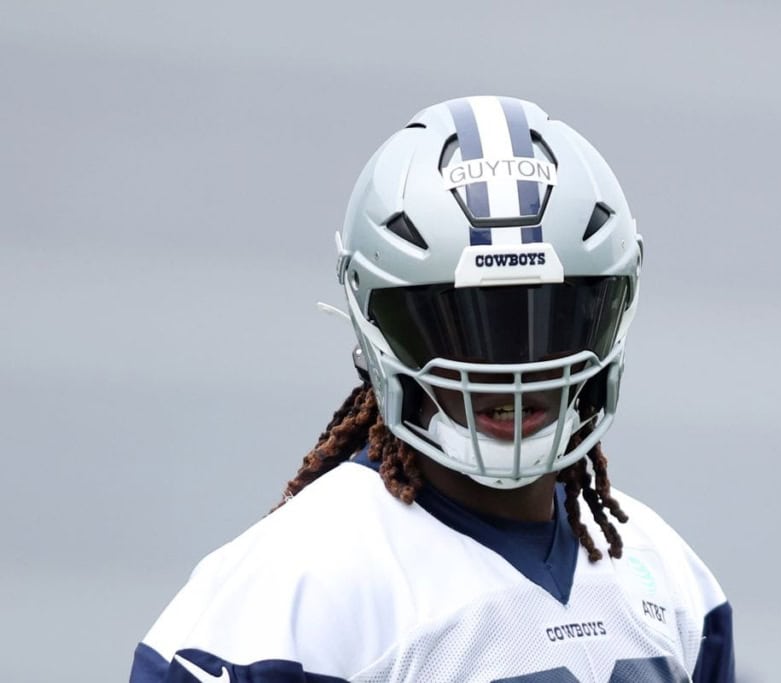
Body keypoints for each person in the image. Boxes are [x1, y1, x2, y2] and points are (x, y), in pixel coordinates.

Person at [129, 96, 734, 683]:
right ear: (376, 323)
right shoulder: (291, 595)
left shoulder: (671, 580)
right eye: (462, 326)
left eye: (552, 321)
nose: (509, 373)